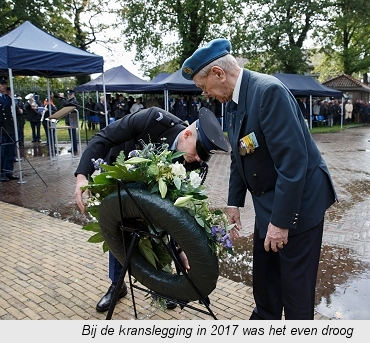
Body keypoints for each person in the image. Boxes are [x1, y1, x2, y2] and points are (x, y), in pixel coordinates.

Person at [182, 38, 337, 320]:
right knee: (265, 286)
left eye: (205, 87)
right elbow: (239, 155)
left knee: (295, 296)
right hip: (270, 204)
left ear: (218, 73)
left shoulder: (269, 92)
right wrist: (233, 204)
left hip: (298, 207)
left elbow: (293, 163)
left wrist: (280, 223)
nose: (206, 95)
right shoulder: (231, 102)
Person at [73, 106, 228, 313]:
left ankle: (161, 286)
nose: (200, 159)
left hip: (153, 194)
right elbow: (105, 137)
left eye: (206, 156)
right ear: (188, 134)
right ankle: (117, 285)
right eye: (199, 151)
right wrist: (83, 175)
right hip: (122, 177)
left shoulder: (192, 164)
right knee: (119, 232)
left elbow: (178, 212)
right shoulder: (152, 120)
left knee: (158, 231)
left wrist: (180, 250)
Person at [61, 90, 79, 154]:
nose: (69, 96)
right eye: (68, 95)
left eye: (70, 95)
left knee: (73, 135)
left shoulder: (74, 101)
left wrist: (62, 98)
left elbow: (65, 105)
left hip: (73, 119)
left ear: (73, 94)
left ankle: (74, 148)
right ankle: (73, 147)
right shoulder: (70, 101)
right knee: (71, 135)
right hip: (70, 119)